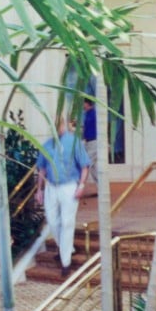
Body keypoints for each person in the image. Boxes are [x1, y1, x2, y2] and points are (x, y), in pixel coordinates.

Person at [35, 116, 90, 277]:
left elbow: (85, 166)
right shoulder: (47, 145)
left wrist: (81, 185)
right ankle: (67, 248)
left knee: (67, 222)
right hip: (51, 186)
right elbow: (42, 169)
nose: (56, 128)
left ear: (64, 125)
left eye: (58, 124)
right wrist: (39, 190)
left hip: (69, 186)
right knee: (52, 221)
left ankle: (65, 262)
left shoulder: (74, 142)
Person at [82, 98, 97, 185]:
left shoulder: (93, 114)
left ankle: (79, 185)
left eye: (83, 104)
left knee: (87, 163)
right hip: (89, 142)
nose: (83, 106)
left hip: (94, 142)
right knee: (93, 167)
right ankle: (101, 186)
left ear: (87, 104)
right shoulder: (87, 114)